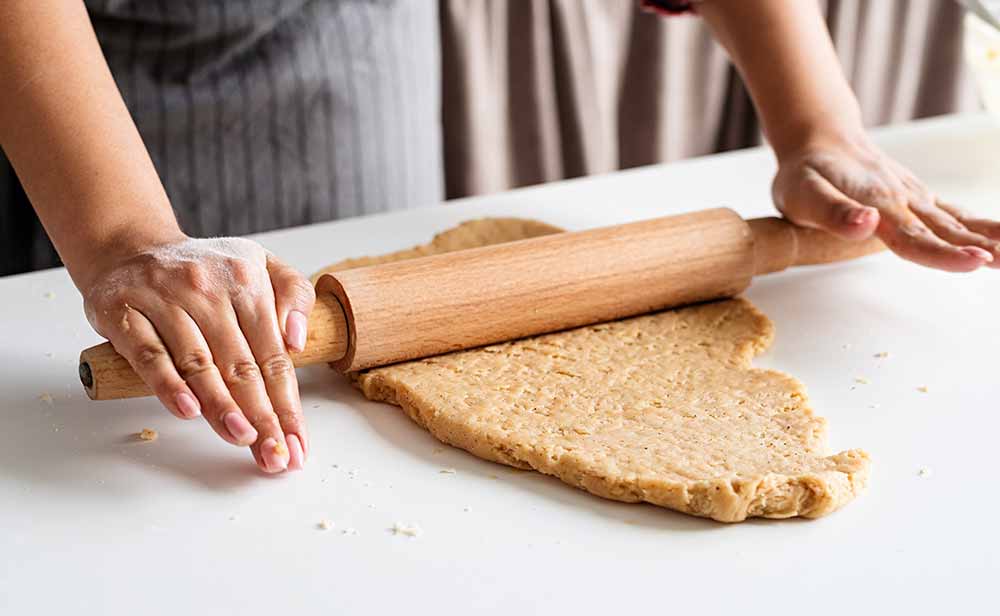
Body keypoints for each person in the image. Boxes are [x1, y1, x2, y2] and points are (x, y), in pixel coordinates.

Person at [1, 0, 996, 474]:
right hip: (46, 90)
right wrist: (124, 233)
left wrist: (816, 124)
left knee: (345, 305)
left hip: (324, 45)